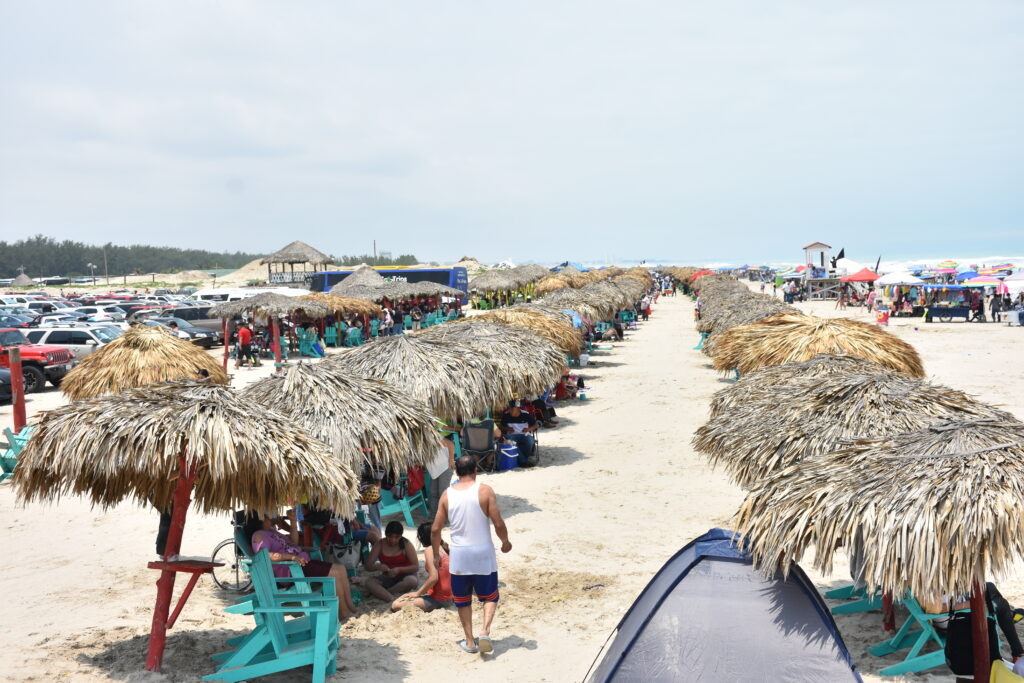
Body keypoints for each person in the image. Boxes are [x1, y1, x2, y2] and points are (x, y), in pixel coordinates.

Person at [432, 455, 512, 654]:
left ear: (456, 473)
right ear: (475, 470)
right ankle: (484, 631)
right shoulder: (485, 491)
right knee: (490, 596)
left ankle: (469, 641)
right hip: (483, 553)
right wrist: (505, 542)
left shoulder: (447, 495)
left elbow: (435, 529)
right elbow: (498, 522)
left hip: (459, 555)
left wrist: (435, 553)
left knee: (463, 599)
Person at [247, 513, 357, 621]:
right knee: (334, 574)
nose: (271, 515)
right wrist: (291, 557)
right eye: (266, 514)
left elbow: (293, 542)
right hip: (291, 570)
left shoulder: (271, 531)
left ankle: (350, 605)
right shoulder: (259, 535)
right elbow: (265, 556)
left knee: (341, 569)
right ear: (260, 519)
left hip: (301, 562)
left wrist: (293, 521)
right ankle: (343, 613)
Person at [392, 522, 453, 613]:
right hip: (452, 597)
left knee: (396, 604)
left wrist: (418, 593)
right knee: (408, 596)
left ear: (421, 538)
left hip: (440, 600)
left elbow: (433, 578)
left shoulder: (430, 550)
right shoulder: (444, 548)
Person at [364, 520, 419, 602]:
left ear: (401, 536)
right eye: (390, 537)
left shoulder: (406, 544)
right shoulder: (380, 544)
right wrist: (378, 567)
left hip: (406, 575)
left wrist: (399, 569)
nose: (393, 540)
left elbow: (416, 567)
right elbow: (367, 566)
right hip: (388, 576)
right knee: (369, 583)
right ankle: (391, 598)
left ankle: (387, 593)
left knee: (412, 581)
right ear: (386, 534)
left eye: (396, 537)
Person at [425, 437, 456, 519]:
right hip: (434, 470)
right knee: (433, 493)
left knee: (442, 493)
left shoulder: (431, 436)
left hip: (445, 467)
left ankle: (446, 518)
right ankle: (433, 516)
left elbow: (451, 444)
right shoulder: (419, 439)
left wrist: (451, 459)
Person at [500, 400, 538, 467]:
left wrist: (528, 429)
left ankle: (522, 459)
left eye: (512, 409)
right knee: (511, 442)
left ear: (518, 409)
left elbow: (536, 425)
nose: (510, 410)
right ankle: (524, 461)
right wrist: (507, 429)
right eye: (509, 408)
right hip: (512, 435)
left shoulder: (526, 414)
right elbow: (501, 427)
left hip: (525, 434)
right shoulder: (506, 415)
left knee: (530, 441)